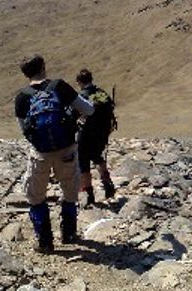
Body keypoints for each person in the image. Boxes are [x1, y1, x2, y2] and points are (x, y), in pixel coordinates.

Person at [14, 55, 93, 252]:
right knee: (69, 192)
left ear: (25, 74)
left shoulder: (22, 97)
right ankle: (69, 234)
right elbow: (89, 110)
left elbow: (24, 129)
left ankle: (45, 241)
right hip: (66, 148)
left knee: (35, 196)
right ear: (43, 67)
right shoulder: (59, 86)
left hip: (40, 153)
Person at [75, 68, 117, 207]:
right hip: (102, 133)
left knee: (83, 163)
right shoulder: (101, 93)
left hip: (85, 134)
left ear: (79, 82)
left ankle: (89, 195)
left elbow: (74, 115)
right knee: (97, 156)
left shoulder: (82, 96)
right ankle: (107, 181)